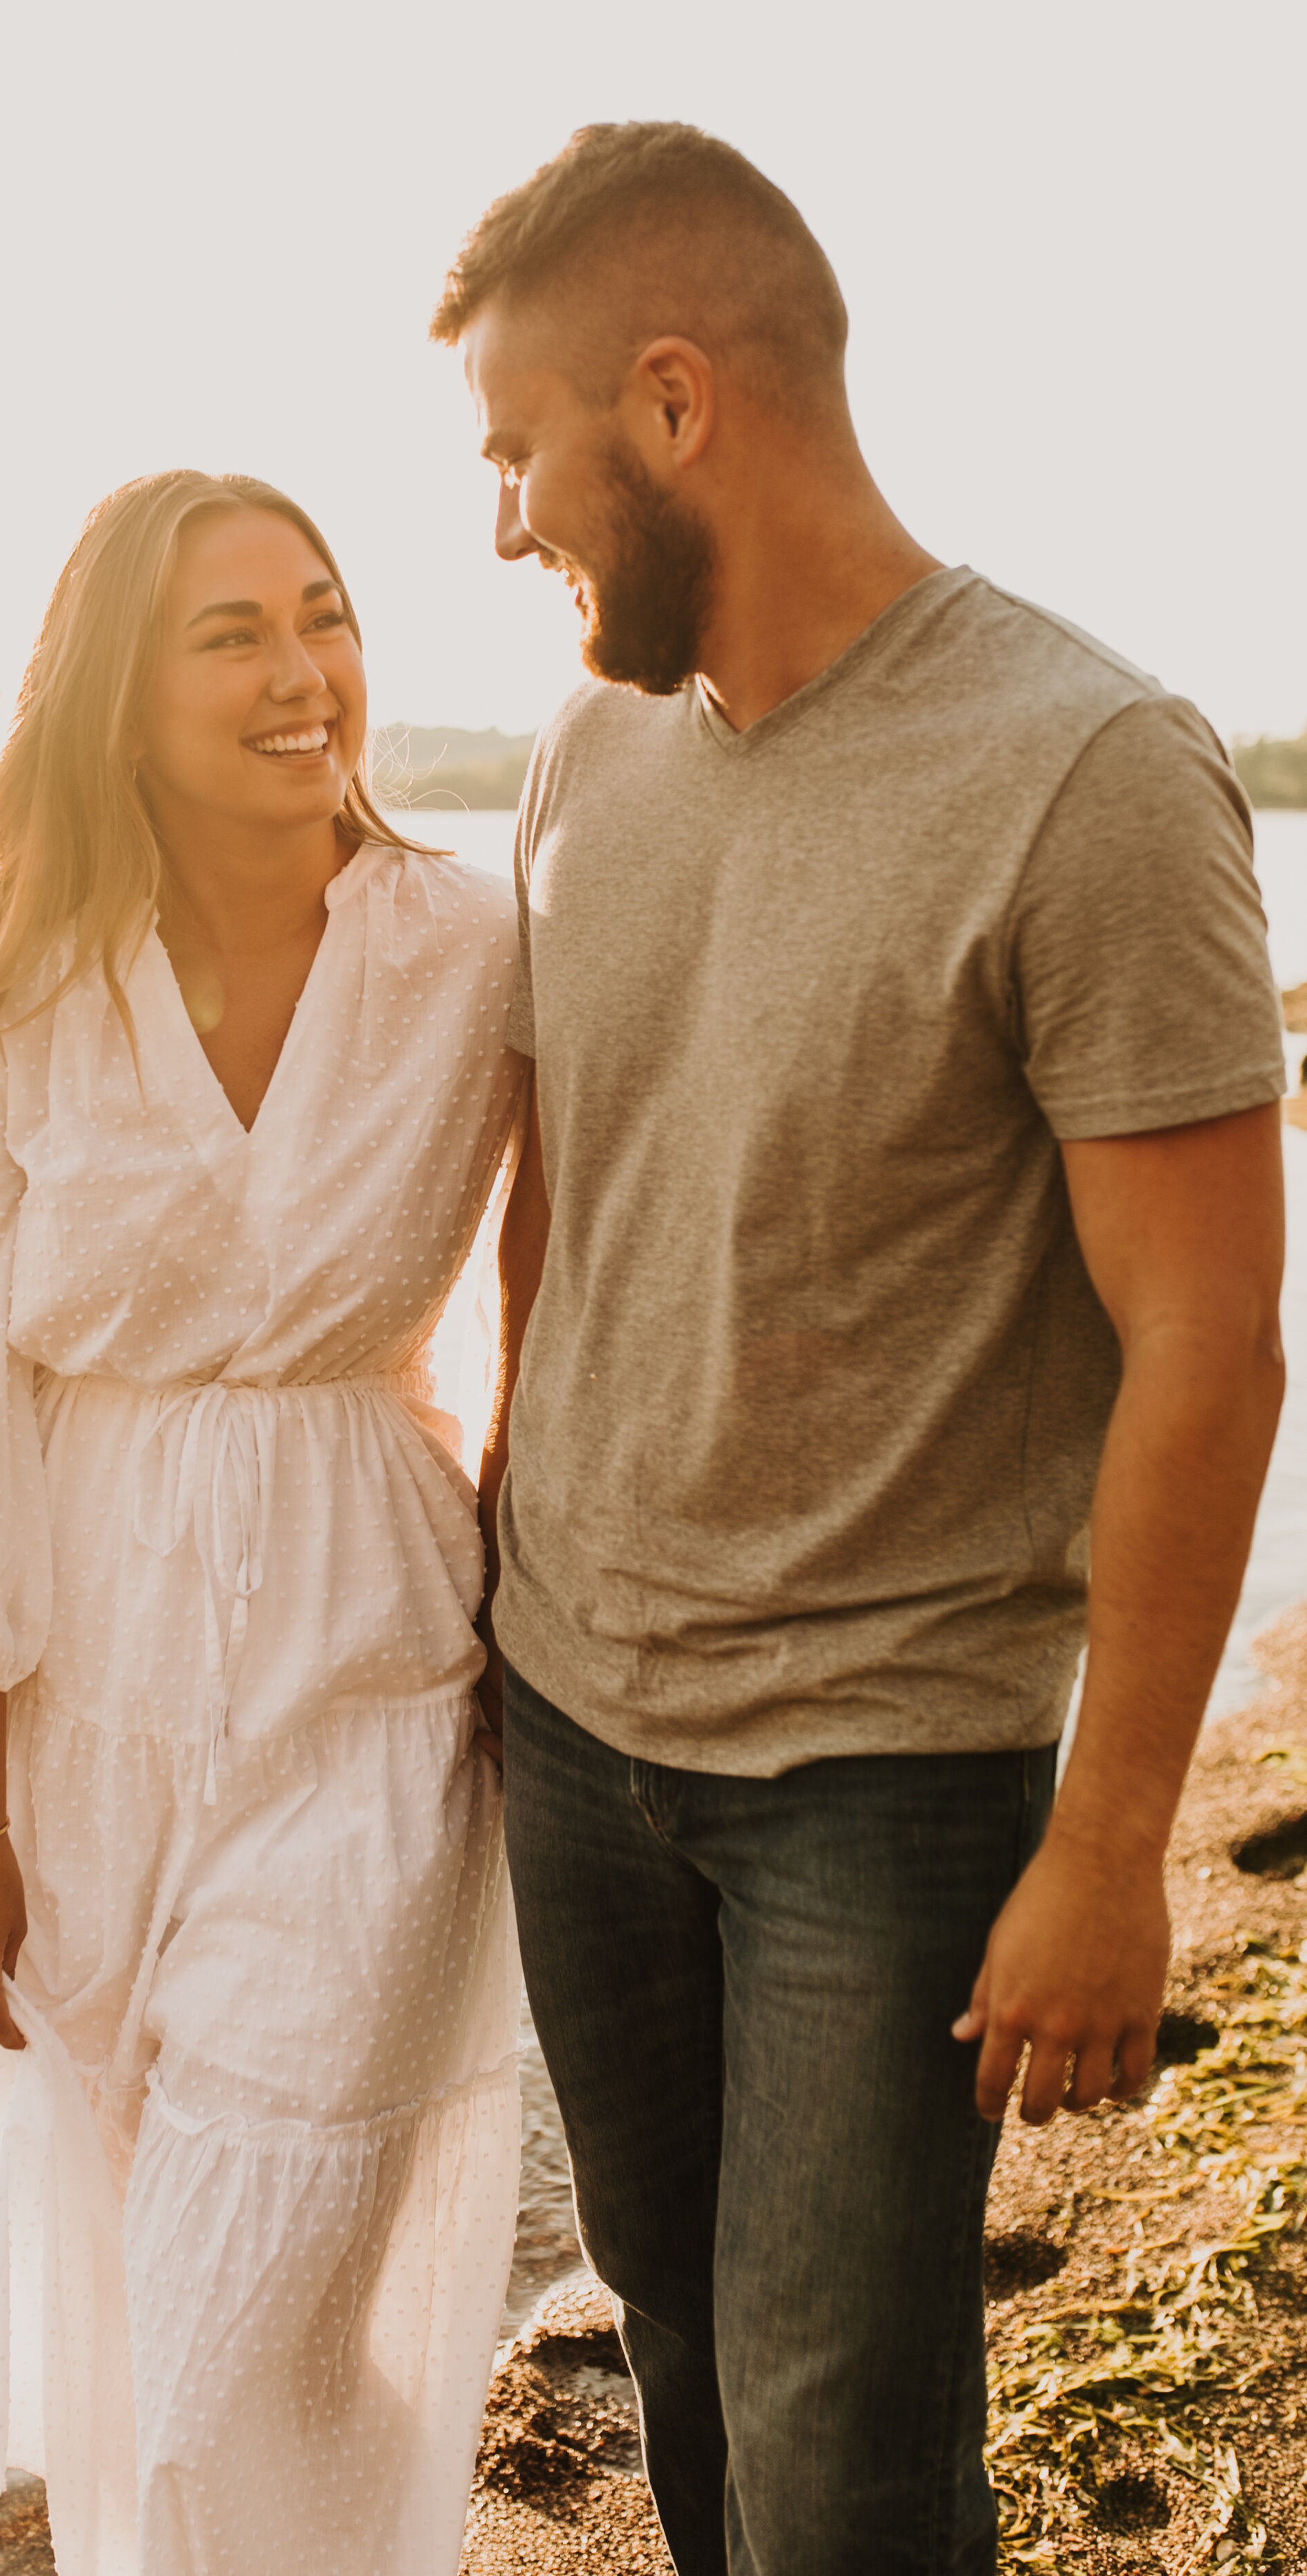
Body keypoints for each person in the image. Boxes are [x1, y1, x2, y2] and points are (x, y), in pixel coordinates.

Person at [432, 124, 1287, 2573]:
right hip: (579, 1726)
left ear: (674, 402)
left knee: (839, 2463)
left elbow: (1209, 1348)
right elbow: (555, 1211)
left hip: (881, 1784)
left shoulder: (1088, 771)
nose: (505, 524)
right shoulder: (588, 757)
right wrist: (502, 1586)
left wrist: (1113, 1846)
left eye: (522, 451)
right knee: (679, 2350)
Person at [0, 471, 528, 2576]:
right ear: (113, 698)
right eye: (231, 633)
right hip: (66, 1732)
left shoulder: (470, 947)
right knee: (164, 2326)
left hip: (371, 1704)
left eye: (320, 615)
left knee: (239, 2314)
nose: (303, 672)